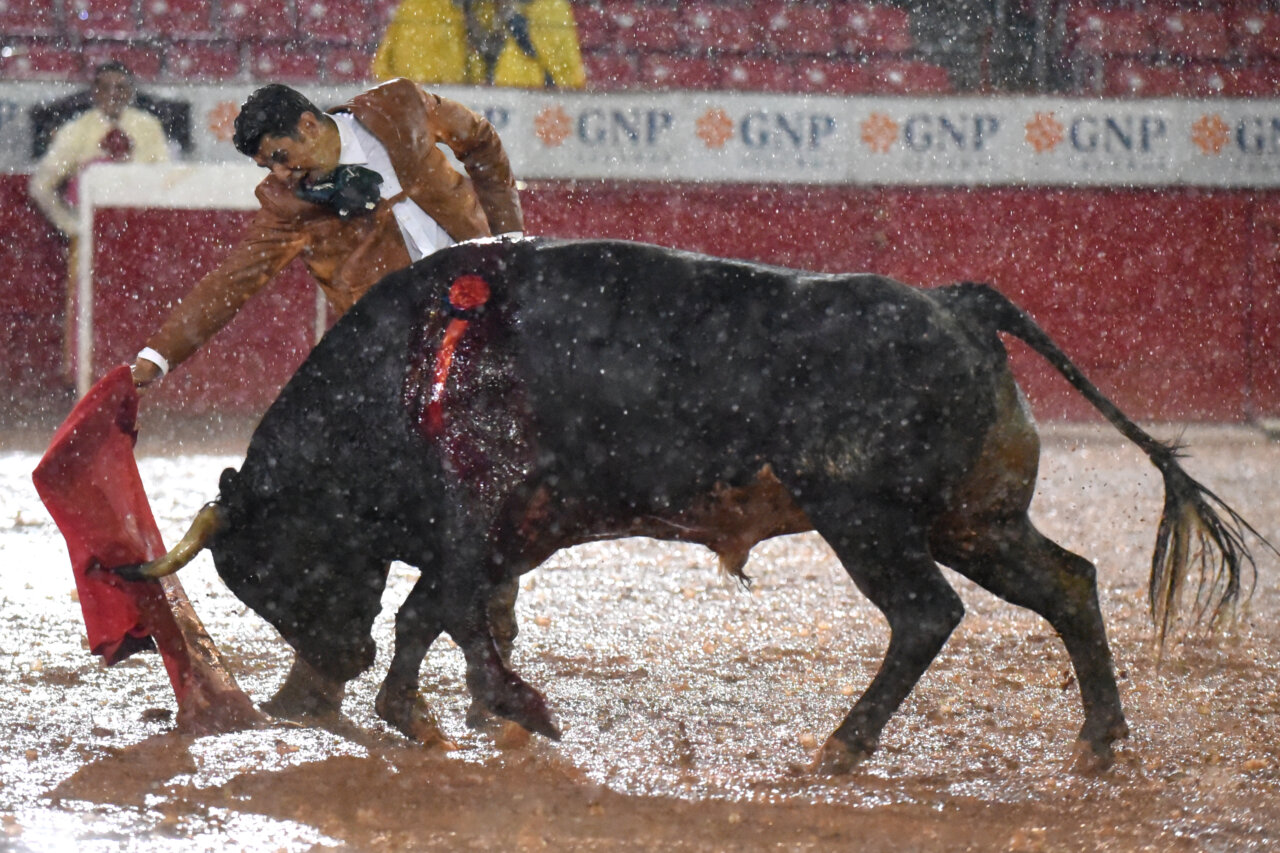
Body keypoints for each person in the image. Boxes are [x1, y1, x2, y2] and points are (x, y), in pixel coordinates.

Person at [130, 79, 523, 388]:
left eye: (281, 156)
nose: (280, 174)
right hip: (404, 347)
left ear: (308, 125)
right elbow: (231, 282)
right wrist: (158, 357)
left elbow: (480, 141)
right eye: (268, 167)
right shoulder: (286, 204)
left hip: (488, 291)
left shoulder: (398, 107)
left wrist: (509, 242)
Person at [29, 61, 170, 384]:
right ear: (94, 92)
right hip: (93, 242)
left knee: (143, 307)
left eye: (121, 88)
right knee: (91, 309)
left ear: (131, 92)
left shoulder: (147, 128)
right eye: (106, 88)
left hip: (140, 238)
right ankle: (90, 379)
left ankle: (139, 377)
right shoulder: (78, 130)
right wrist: (71, 225)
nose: (113, 95)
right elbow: (41, 185)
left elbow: (164, 181)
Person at [372, 0, 586, 89]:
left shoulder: (549, 9)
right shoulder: (425, 8)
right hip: (449, 102)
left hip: (516, 104)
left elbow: (565, 72)